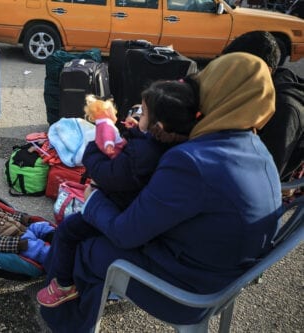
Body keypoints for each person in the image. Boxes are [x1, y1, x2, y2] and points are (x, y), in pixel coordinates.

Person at [38, 52, 283, 331]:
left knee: (86, 246)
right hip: (223, 279)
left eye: (208, 78)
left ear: (218, 90)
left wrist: (92, 201)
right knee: (94, 224)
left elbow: (124, 232)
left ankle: (64, 321)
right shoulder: (254, 146)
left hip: (187, 294)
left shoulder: (192, 161)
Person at [36, 77, 201, 307]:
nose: (137, 115)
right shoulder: (171, 145)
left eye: (142, 113)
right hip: (136, 209)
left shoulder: (144, 154)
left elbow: (106, 173)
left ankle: (64, 285)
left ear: (158, 128)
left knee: (68, 230)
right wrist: (137, 132)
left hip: (117, 207)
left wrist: (100, 134)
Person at [221, 31, 304, 183]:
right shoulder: (257, 88)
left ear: (262, 69)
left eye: (235, 69)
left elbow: (265, 176)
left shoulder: (284, 109)